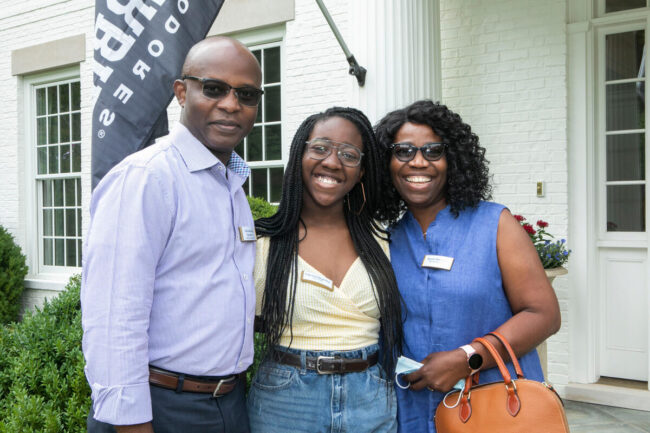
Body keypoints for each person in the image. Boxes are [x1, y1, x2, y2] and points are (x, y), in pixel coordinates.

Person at [81, 36, 263, 433]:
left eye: (246, 94)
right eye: (213, 88)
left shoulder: (230, 183)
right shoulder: (148, 178)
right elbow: (114, 316)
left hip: (228, 403)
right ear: (182, 92)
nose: (231, 104)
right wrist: (131, 423)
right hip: (160, 406)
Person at [374, 100, 561, 433]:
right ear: (386, 163)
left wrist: (467, 358)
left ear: (453, 160)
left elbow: (543, 315)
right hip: (412, 411)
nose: (418, 162)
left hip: (494, 408)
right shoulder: (387, 239)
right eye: (403, 151)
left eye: (433, 151)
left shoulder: (495, 224)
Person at [247, 107, 404, 433]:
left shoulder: (383, 240)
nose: (332, 162)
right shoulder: (263, 243)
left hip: (371, 398)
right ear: (299, 155)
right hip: (286, 399)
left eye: (349, 154)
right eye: (319, 148)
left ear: (361, 172)